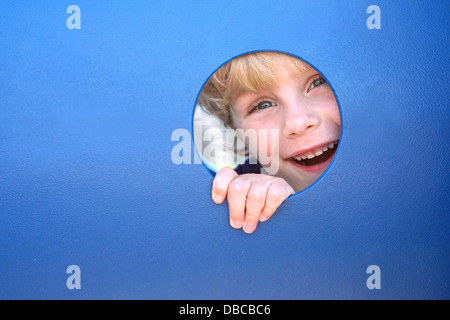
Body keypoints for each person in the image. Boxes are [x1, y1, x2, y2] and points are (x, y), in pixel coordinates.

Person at [198, 52, 341, 233]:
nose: (297, 122)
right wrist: (247, 200)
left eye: (318, 83)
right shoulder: (241, 189)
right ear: (234, 128)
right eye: (263, 105)